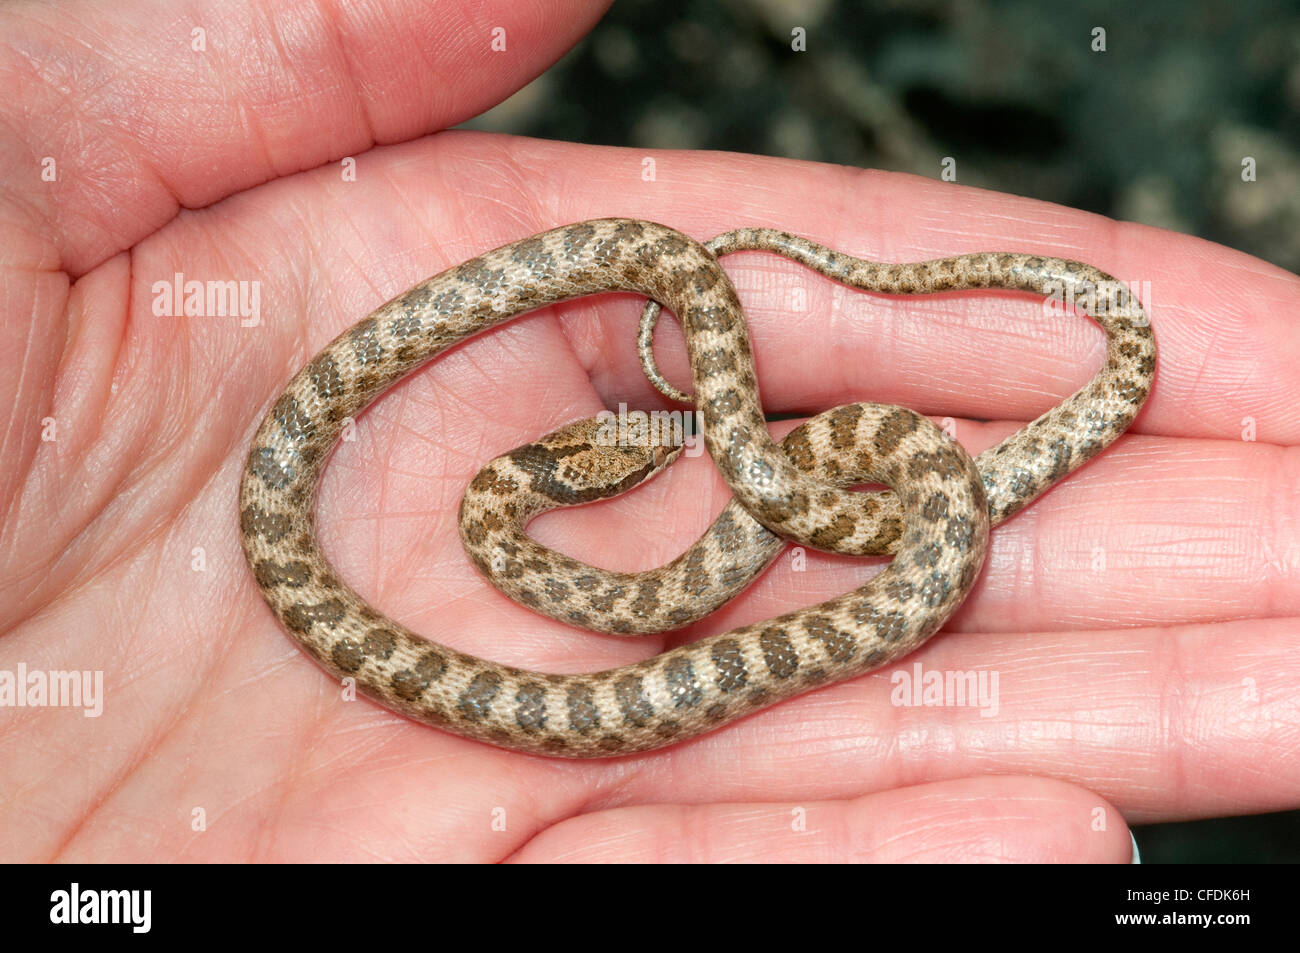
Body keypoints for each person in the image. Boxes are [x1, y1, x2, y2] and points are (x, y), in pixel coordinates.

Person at [2, 0, 1296, 863]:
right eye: (649, 447)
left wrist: (749, 462)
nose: (660, 444)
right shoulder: (538, 526)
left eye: (675, 441)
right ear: (552, 481)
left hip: (808, 476)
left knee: (813, 464)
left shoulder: (594, 489)